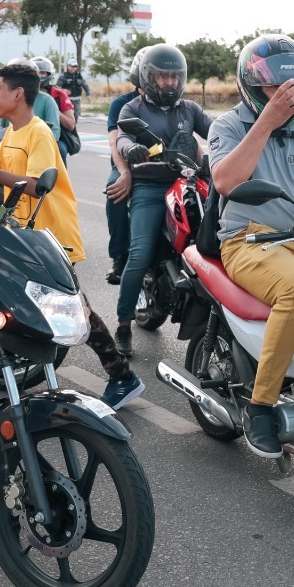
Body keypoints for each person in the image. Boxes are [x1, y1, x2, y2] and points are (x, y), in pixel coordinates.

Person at [208, 35, 294, 458]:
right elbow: (227, 182)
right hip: (247, 239)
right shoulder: (228, 126)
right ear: (251, 86)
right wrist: (266, 121)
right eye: (275, 88)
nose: (289, 96)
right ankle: (260, 405)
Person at [0, 61, 145, 410]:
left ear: (18, 93)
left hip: (53, 235)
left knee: (77, 311)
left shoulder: (38, 132)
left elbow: (35, 185)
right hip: (28, 235)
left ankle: (122, 377)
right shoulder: (12, 131)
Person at [111, 43, 212, 357]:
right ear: (147, 77)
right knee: (139, 254)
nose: (169, 83)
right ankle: (123, 326)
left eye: (174, 77)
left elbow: (217, 131)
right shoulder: (134, 109)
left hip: (189, 182)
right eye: (162, 77)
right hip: (150, 188)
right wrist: (131, 150)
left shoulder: (190, 110)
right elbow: (124, 136)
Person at [103, 47, 149, 285]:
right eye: (153, 73)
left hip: (165, 165)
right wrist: (124, 174)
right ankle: (120, 258)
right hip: (127, 164)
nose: (161, 79)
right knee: (115, 192)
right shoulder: (122, 103)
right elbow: (114, 141)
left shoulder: (175, 103)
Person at [33, 56, 77, 159]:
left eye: (42, 73)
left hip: (55, 136)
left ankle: (60, 175)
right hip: (29, 134)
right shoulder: (22, 93)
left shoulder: (59, 95)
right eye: (36, 72)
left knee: (60, 150)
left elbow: (71, 124)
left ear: (49, 74)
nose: (39, 76)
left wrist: (54, 109)